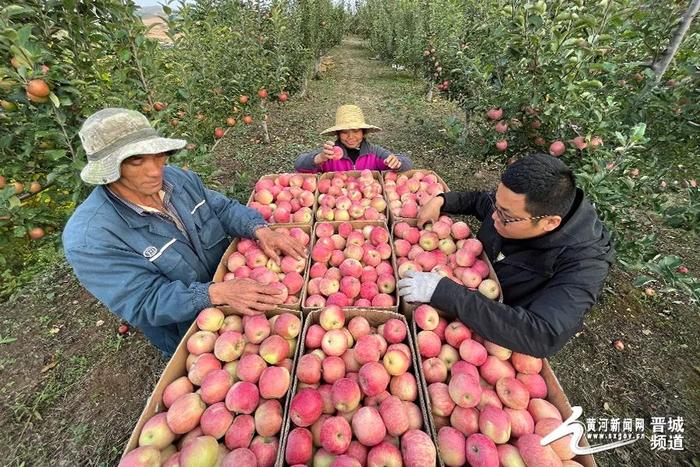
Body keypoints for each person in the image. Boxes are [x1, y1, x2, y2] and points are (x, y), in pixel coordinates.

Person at [62, 108, 306, 357]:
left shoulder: (178, 180)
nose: (155, 170)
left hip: (240, 289)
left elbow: (221, 209)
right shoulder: (91, 237)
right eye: (137, 161)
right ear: (109, 169)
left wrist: (258, 229)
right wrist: (215, 293)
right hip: (190, 329)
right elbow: (143, 300)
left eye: (159, 156)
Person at [397, 153, 614, 357]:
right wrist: (442, 200)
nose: (493, 216)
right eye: (497, 206)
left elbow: (543, 335)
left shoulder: (585, 263)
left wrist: (448, 293)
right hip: (473, 287)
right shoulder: (519, 203)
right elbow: (480, 200)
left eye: (505, 216)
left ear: (550, 223)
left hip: (500, 329)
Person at [295, 104, 414, 173]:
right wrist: (319, 158)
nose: (351, 137)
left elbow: (407, 163)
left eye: (356, 131)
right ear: (338, 134)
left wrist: (398, 163)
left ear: (363, 132)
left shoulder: (374, 152)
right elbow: (299, 164)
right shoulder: (330, 154)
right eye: (345, 132)